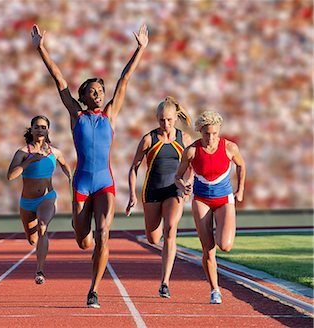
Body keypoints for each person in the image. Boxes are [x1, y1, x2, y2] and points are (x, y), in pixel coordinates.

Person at [31, 23, 148, 308]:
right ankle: (77, 223)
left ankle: (94, 290)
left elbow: (123, 80)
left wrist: (140, 49)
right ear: (83, 97)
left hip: (105, 182)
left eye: (99, 90)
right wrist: (41, 48)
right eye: (92, 91)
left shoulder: (110, 114)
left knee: (104, 234)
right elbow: (60, 82)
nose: (98, 94)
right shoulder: (76, 116)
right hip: (82, 183)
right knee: (84, 242)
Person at [174, 111, 246, 304]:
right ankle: (215, 289)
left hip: (224, 200)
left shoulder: (230, 147)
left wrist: (240, 190)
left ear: (219, 131)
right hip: (201, 200)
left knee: (225, 245)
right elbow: (177, 176)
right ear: (200, 132)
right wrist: (183, 186)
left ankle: (220, 231)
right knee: (208, 248)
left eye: (214, 133)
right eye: (206, 133)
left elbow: (241, 166)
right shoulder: (192, 151)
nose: (210, 138)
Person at [125, 96, 192, 299]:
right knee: (153, 238)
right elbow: (133, 168)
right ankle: (161, 248)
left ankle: (165, 283)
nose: (166, 124)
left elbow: (191, 167)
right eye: (162, 120)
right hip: (152, 191)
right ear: (156, 118)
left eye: (169, 120)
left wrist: (187, 183)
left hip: (175, 190)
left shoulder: (184, 139)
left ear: (175, 119)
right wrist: (132, 195)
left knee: (170, 230)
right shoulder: (149, 139)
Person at [7, 115, 71, 284]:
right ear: (32, 129)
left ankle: (40, 271)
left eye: (44, 127)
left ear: (48, 130)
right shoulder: (22, 152)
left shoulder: (54, 152)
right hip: (27, 202)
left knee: (43, 227)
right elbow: (10, 176)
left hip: (47, 197)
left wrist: (72, 178)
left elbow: (65, 164)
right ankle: (36, 246)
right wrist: (28, 162)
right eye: (37, 127)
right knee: (32, 239)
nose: (40, 129)